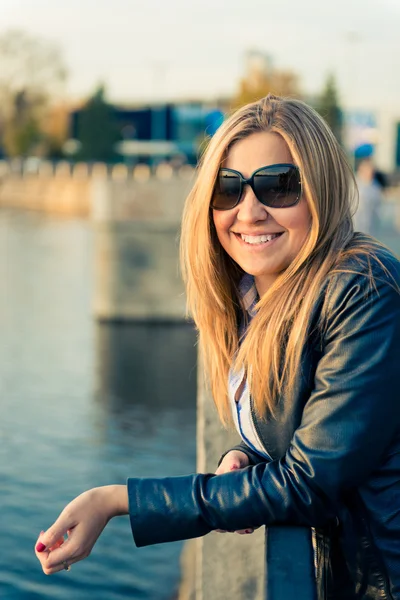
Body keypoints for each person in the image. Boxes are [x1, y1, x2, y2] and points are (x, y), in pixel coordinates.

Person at [35, 95, 400, 599]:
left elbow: (313, 484)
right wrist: (246, 454)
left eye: (278, 185)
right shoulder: (257, 299)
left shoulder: (364, 289)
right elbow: (314, 431)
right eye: (229, 189)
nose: (249, 211)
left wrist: (116, 501)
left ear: (321, 191)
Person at [354, 157, 383, 236]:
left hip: (370, 229)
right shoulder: (353, 185)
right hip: (355, 228)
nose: (370, 172)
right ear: (361, 169)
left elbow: (377, 209)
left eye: (372, 170)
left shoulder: (375, 186)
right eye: (368, 169)